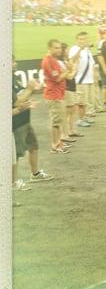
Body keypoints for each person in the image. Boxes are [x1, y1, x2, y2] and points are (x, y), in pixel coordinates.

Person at [13, 56, 54, 188]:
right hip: (15, 123)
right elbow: (16, 102)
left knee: (33, 146)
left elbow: (20, 97)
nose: (15, 63)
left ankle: (35, 174)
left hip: (25, 119)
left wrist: (29, 102)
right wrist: (30, 89)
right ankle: (13, 182)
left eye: (14, 60)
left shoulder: (14, 78)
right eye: (12, 61)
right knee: (15, 155)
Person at [42, 39, 74, 154]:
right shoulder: (48, 61)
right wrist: (69, 70)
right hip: (53, 95)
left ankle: (59, 143)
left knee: (58, 121)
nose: (59, 50)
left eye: (60, 47)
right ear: (49, 48)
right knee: (56, 122)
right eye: (56, 48)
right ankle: (55, 146)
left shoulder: (53, 60)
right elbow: (58, 78)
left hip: (58, 94)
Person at [68, 32, 96, 128]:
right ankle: (80, 120)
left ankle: (84, 117)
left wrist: (94, 76)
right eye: (81, 39)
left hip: (89, 79)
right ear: (77, 40)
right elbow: (72, 60)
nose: (83, 41)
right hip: (80, 79)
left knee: (86, 101)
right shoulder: (74, 49)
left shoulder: (87, 50)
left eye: (85, 39)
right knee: (81, 101)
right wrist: (80, 48)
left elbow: (91, 62)